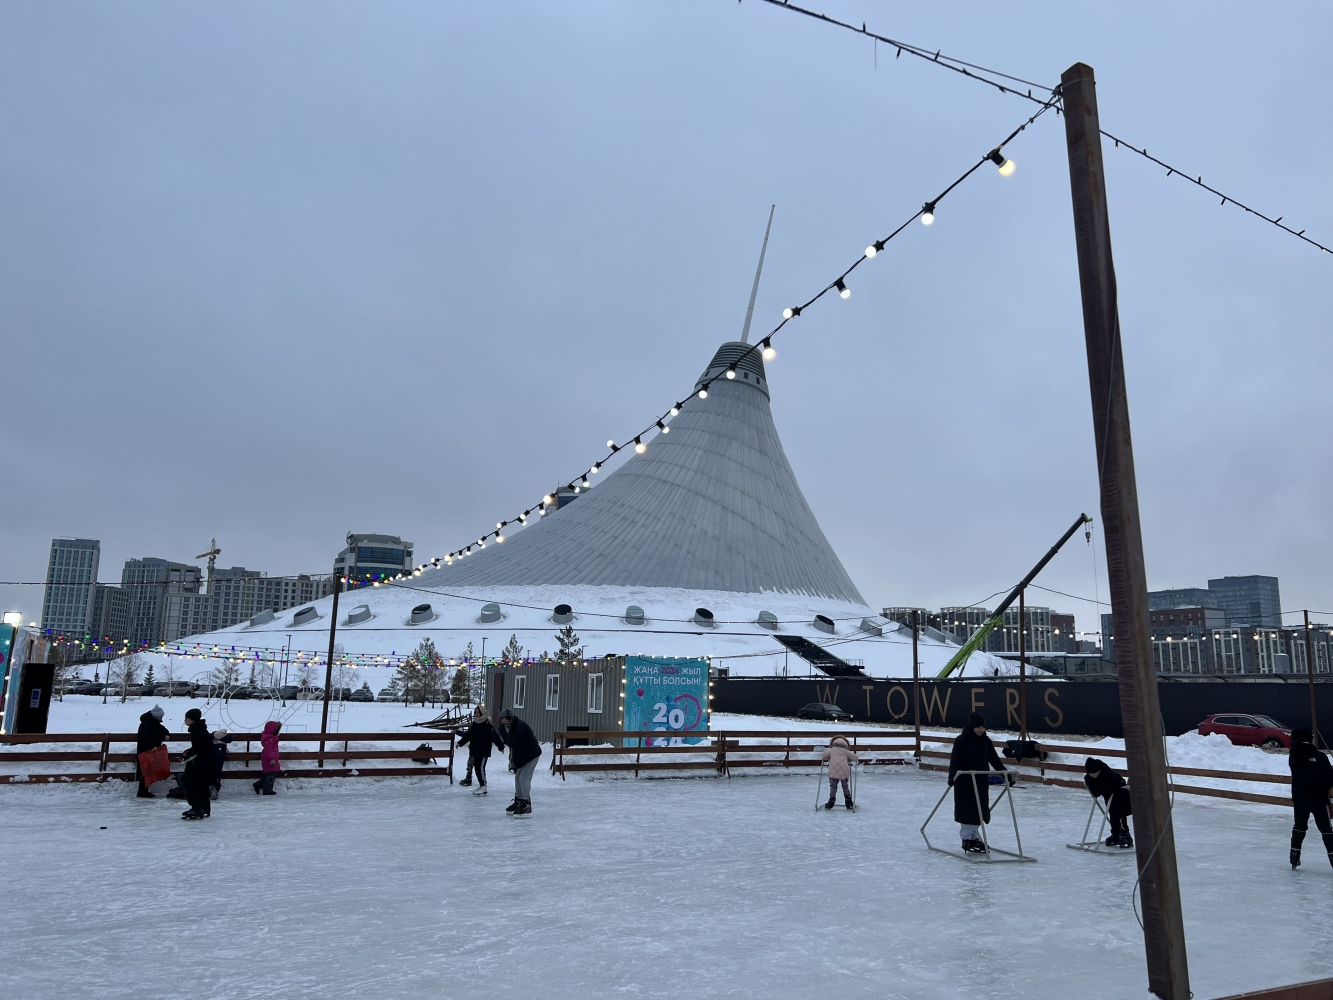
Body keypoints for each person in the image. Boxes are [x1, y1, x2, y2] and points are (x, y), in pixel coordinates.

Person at [947, 712, 1010, 853]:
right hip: (964, 781)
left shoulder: (986, 741)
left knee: (979, 811)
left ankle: (974, 837)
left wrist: (1006, 775)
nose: (980, 730)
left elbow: (994, 759)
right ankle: (966, 838)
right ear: (971, 726)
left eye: (982, 727)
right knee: (967, 810)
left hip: (980, 781)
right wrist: (952, 776)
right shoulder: (961, 740)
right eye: (977, 727)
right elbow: (955, 759)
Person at [1288, 727, 1333, 870]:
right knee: (1326, 829)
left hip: (1300, 798)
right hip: (1319, 799)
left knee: (1299, 827)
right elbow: (1330, 779)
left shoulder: (1293, 755)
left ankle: (1294, 857)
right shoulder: (1320, 756)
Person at [497, 708, 541, 815]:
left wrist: (502, 732)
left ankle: (526, 803)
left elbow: (512, 743)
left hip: (531, 755)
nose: (500, 721)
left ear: (507, 718)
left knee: (524, 778)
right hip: (524, 755)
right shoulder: (511, 726)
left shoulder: (519, 726)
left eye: (502, 718)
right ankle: (519, 801)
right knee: (518, 778)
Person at [1084, 757, 1133, 848]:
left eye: (1095, 773)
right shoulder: (1089, 777)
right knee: (1113, 813)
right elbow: (1096, 793)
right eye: (1090, 773)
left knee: (1119, 813)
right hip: (1110, 799)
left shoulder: (1109, 774)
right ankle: (1116, 834)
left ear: (1099, 770)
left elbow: (1120, 782)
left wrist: (1106, 788)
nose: (1093, 775)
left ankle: (1124, 835)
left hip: (1122, 797)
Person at [457, 705, 505, 795]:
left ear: (482, 713)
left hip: (483, 751)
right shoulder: (474, 724)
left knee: (481, 768)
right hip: (475, 750)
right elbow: (468, 735)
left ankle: (484, 786)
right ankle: (481, 785)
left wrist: (500, 746)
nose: (477, 714)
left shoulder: (487, 724)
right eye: (475, 713)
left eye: (478, 713)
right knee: (477, 769)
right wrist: (460, 743)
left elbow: (494, 737)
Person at [181, 708, 215, 820]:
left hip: (200, 764)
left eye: (186, 718)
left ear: (192, 719)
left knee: (192, 785)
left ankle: (197, 808)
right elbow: (201, 747)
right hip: (205, 763)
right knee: (201, 786)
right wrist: (190, 751)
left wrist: (189, 755)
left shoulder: (197, 731)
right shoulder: (200, 729)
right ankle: (204, 808)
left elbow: (201, 749)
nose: (185, 720)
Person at [135, 705, 169, 799]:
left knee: (148, 770)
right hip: (145, 751)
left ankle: (144, 791)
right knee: (145, 770)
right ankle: (142, 791)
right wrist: (152, 745)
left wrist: (166, 733)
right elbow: (144, 737)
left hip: (150, 751)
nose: (161, 718)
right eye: (160, 716)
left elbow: (161, 729)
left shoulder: (154, 723)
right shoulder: (146, 724)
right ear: (156, 716)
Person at [821, 735, 858, 810]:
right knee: (845, 786)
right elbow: (855, 758)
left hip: (833, 770)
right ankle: (848, 801)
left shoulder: (832, 750)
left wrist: (829, 757)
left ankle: (831, 800)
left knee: (833, 786)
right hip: (844, 771)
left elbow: (823, 755)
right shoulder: (846, 751)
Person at [253, 720, 281, 796]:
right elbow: (269, 749)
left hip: (270, 758)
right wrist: (272, 759)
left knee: (269, 774)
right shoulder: (270, 739)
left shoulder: (270, 737)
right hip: (270, 759)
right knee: (271, 774)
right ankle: (267, 790)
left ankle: (258, 785)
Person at [210, 728, 233, 801]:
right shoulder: (222, 745)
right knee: (217, 775)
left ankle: (212, 788)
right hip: (218, 767)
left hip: (213, 765)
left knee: (213, 773)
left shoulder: (217, 746)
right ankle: (215, 787)